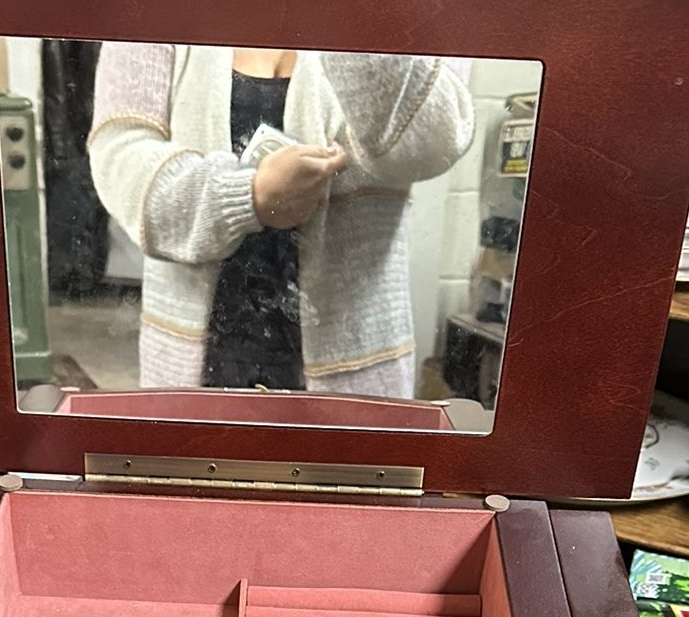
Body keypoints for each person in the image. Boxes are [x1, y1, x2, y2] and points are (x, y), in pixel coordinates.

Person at [87, 43, 475, 395]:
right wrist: (248, 195)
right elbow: (119, 159)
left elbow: (434, 142)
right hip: (190, 372)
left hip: (356, 378)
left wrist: (353, 3)